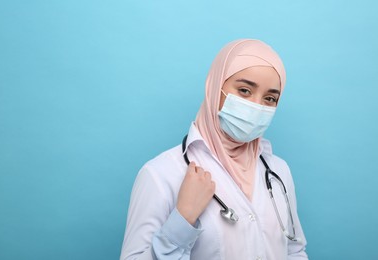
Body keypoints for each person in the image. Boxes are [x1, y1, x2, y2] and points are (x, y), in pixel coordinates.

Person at [120, 39, 308, 259]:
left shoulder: (278, 171)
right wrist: (183, 219)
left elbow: (295, 251)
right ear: (214, 86)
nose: (257, 106)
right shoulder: (161, 174)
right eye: (245, 90)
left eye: (270, 98)